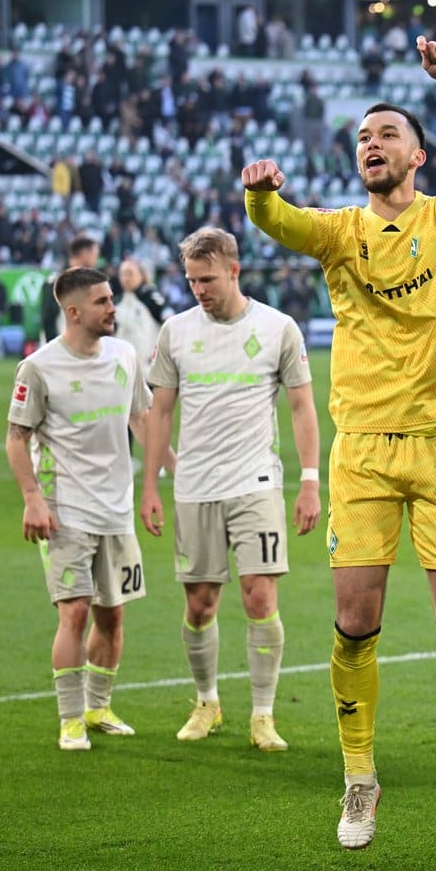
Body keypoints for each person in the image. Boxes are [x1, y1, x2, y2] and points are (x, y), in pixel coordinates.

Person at [241, 35, 436, 851]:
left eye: (386, 134)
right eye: (362, 138)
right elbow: (276, 223)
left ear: (418, 155)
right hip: (361, 450)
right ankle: (360, 780)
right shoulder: (339, 232)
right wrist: (257, 196)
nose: (371, 145)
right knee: (355, 622)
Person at [139, 227, 322, 753]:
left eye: (209, 279)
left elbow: (302, 407)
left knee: (260, 595)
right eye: (193, 280)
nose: (200, 289)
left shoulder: (278, 327)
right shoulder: (175, 331)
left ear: (235, 271)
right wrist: (150, 484)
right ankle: (207, 701)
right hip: (195, 485)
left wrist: (309, 482)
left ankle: (263, 714)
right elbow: (161, 413)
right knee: (200, 603)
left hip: (255, 482)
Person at [5, 267, 157, 750]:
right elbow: (16, 437)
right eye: (102, 301)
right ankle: (70, 718)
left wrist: (160, 475)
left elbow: (140, 417)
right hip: (64, 509)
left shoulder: (124, 355)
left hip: (117, 508)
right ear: (73, 312)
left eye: (111, 298)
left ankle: (98, 706)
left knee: (112, 617)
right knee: (73, 613)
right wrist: (32, 498)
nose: (113, 308)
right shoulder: (39, 367)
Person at [39, 234, 99, 344]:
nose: (97, 259)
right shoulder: (57, 282)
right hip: (61, 351)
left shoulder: (92, 283)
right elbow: (48, 320)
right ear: (84, 254)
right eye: (95, 255)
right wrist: (55, 349)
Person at [114, 258, 170, 373]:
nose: (126, 278)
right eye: (123, 274)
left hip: (148, 369)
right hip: (123, 369)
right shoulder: (116, 302)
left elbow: (169, 319)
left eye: (130, 274)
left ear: (141, 275)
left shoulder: (151, 297)